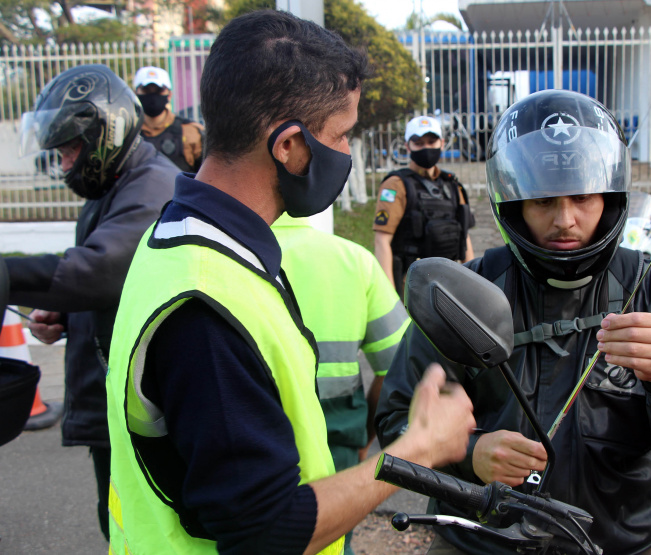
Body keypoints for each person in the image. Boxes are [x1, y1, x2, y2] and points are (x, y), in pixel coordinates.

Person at [105, 11, 475, 555]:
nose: (346, 154)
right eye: (341, 136)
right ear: (289, 146)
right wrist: (416, 451)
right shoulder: (204, 306)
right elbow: (265, 531)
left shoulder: (179, 238)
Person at [375, 90, 651, 555]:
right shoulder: (466, 293)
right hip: (483, 543)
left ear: (610, 198)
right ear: (514, 204)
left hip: (627, 542)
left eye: (583, 198)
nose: (565, 220)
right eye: (543, 202)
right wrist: (470, 453)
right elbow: (396, 419)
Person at [6, 63, 180, 540]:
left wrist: (5, 274)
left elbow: (99, 270)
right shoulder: (112, 186)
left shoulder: (151, 186)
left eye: (71, 147)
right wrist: (65, 313)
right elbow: (115, 282)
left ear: (108, 131)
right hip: (113, 401)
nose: (64, 161)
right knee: (120, 528)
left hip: (140, 409)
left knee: (145, 534)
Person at [272, 213, 409, 555]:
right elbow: (398, 367)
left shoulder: (221, 257)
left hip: (246, 442)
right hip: (337, 448)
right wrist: (365, 437)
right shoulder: (354, 261)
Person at [373, 115, 475, 298]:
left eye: (431, 141)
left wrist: (474, 282)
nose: (426, 148)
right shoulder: (396, 184)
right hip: (412, 284)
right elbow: (382, 241)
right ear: (407, 147)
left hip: (450, 282)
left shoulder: (452, 184)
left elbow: (464, 236)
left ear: (442, 143)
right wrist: (390, 297)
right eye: (418, 143)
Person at [133, 65, 205, 172]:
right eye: (146, 90)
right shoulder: (129, 133)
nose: (153, 96)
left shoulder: (190, 131)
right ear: (136, 94)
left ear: (169, 95)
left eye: (159, 90)